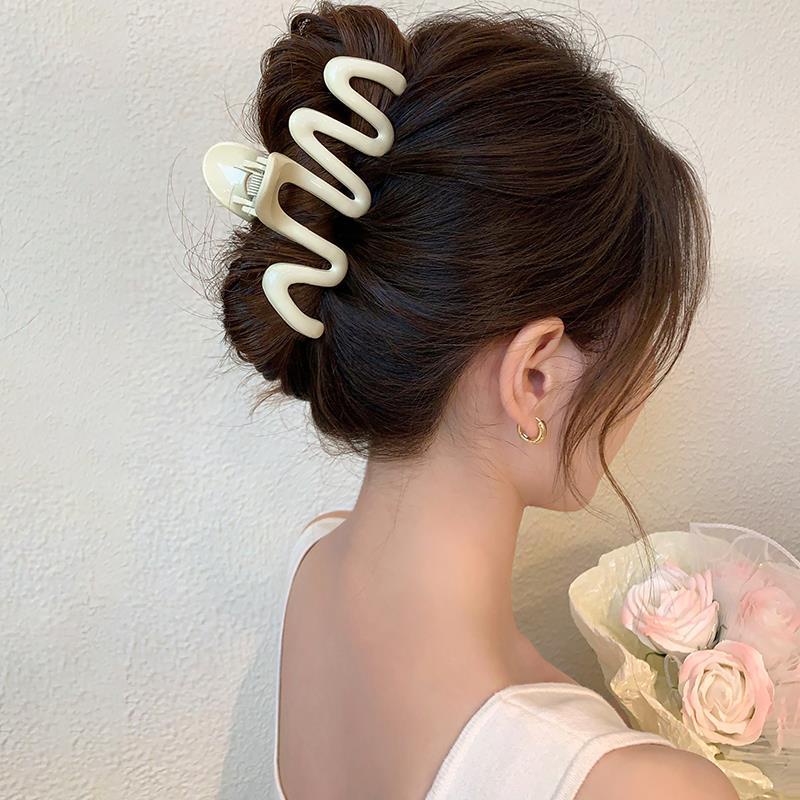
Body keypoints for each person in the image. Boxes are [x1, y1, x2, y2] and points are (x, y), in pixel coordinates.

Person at [202, 2, 739, 797]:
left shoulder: (315, 566)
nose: (641, 392)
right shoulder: (637, 787)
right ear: (534, 376)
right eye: (642, 349)